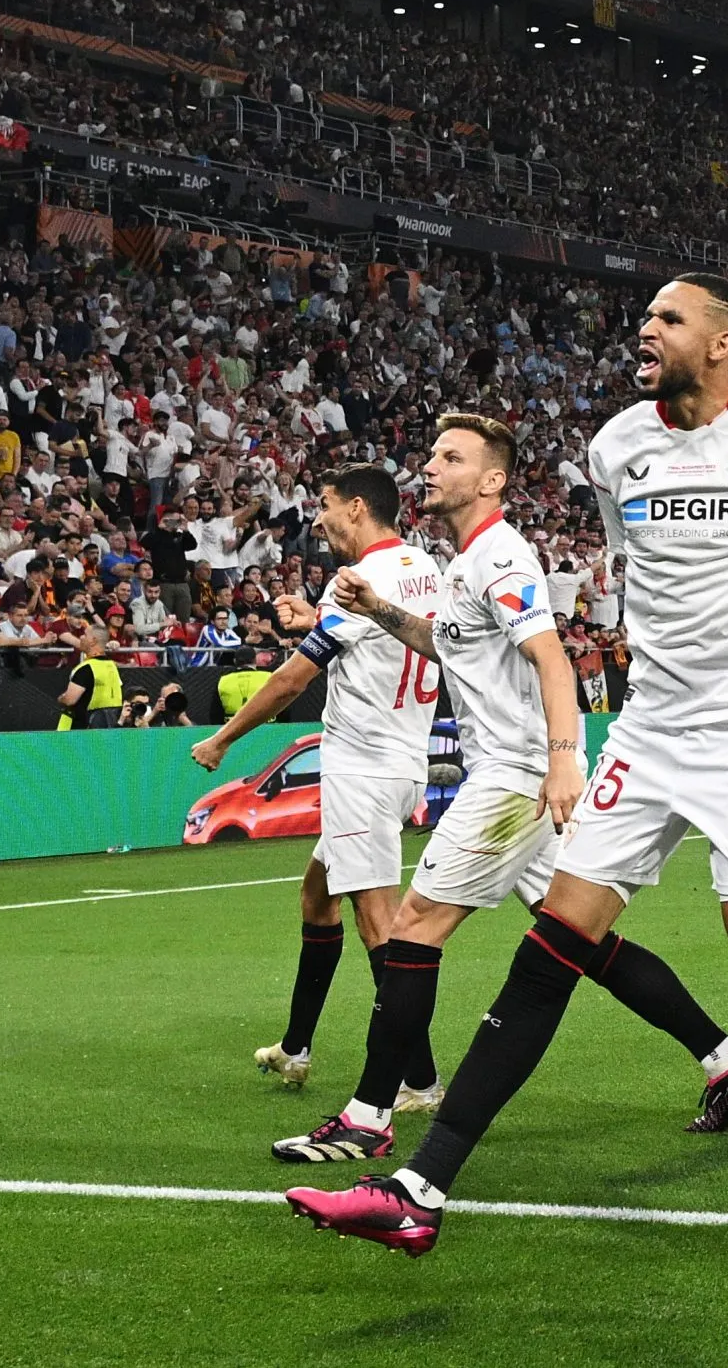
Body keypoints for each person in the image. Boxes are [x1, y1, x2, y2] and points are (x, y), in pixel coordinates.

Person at [287, 274, 728, 1318]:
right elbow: (632, 566)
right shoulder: (617, 444)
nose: (646, 328)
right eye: (647, 316)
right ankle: (417, 1188)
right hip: (647, 736)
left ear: (721, 344)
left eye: (669, 319)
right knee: (550, 958)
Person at [262, 414, 599, 1163]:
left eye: (450, 456)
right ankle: (723, 1056)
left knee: (408, 926)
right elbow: (441, 643)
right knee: (583, 938)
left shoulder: (501, 557)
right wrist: (376, 609)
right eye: (432, 452)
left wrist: (562, 756)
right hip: (500, 773)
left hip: (513, 777)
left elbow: (552, 659)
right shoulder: (457, 563)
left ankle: (371, 1112)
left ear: (491, 480)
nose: (431, 465)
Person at [190, 464, 449, 1096]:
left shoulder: (354, 581)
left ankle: (419, 1080)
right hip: (402, 760)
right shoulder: (422, 567)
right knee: (317, 895)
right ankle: (296, 1048)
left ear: (358, 508)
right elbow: (385, 637)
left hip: (362, 769)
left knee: (378, 925)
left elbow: (292, 681)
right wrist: (317, 619)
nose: (318, 517)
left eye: (326, 504)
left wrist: (223, 738)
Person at [55, 625, 124, 729]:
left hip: (83, 731)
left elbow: (70, 700)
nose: (81, 637)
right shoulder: (112, 667)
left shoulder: (86, 668)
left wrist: (61, 698)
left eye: (85, 634)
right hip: (108, 728)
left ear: (93, 641)